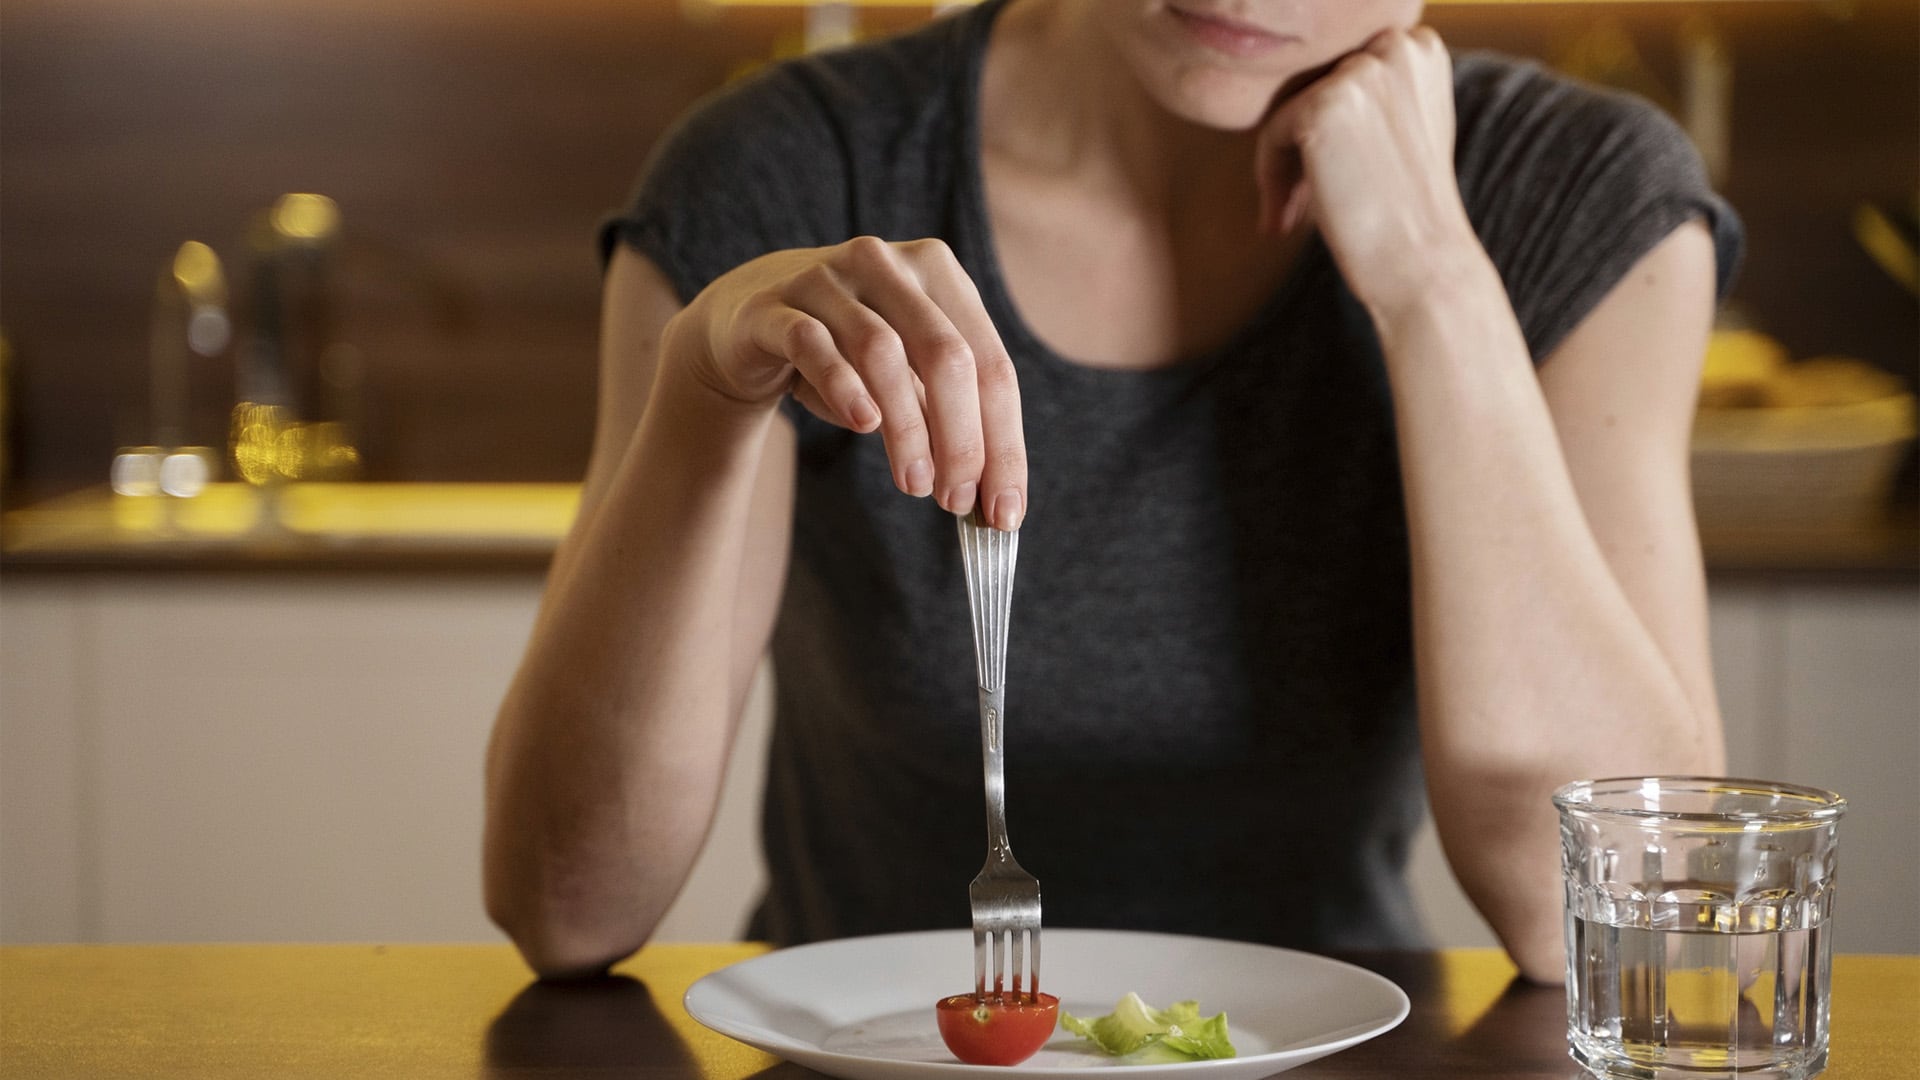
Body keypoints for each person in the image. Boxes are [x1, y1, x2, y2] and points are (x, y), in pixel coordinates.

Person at [483, 0, 1739, 983]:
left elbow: (1619, 922)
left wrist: (1433, 283)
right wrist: (705, 390)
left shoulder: (1576, 193)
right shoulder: (792, 168)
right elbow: (567, 906)